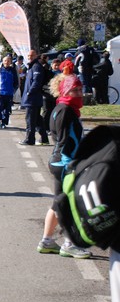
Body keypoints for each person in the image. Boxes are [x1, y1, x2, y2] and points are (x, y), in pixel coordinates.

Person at [37, 72, 91, 259]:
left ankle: (46, 241)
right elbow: (67, 141)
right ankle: (69, 243)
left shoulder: (61, 107)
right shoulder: (66, 110)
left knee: (58, 203)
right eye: (75, 90)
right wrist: (79, 161)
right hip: (66, 163)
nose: (79, 93)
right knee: (72, 205)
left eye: (80, 89)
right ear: (65, 91)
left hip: (60, 161)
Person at [19, 49, 49, 145]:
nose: (29, 57)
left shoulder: (36, 67)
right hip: (32, 98)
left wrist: (30, 92)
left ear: (36, 56)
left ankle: (30, 139)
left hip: (33, 98)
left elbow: (37, 81)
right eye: (28, 56)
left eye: (32, 55)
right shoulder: (31, 67)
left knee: (30, 120)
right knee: (37, 120)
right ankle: (44, 138)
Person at [0, 55, 18, 129]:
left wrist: (13, 90)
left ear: (10, 62)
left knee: (7, 109)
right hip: (0, 93)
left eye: (8, 61)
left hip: (9, 93)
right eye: (5, 61)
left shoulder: (12, 70)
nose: (7, 62)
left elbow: (16, 82)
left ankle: (4, 122)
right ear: (3, 62)